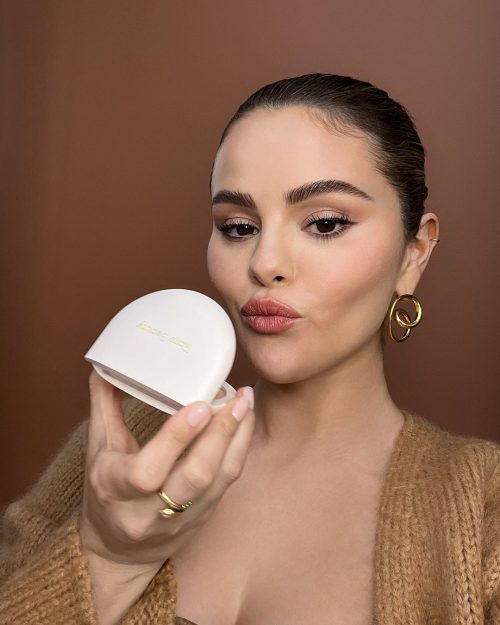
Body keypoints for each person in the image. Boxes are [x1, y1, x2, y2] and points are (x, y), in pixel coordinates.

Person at [1, 73, 499, 625]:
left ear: (414, 253)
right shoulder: (125, 449)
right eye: (238, 227)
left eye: (325, 223)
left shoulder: (483, 508)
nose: (264, 263)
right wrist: (108, 557)